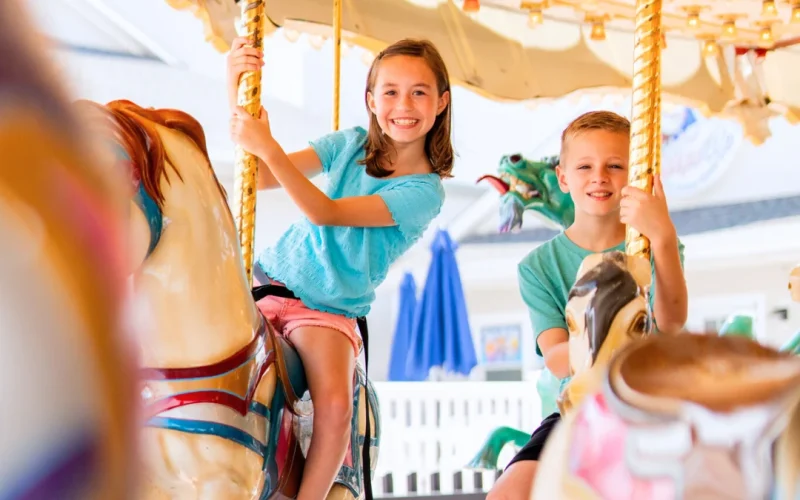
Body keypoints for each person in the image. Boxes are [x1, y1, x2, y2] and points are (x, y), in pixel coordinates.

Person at [227, 37, 452, 499]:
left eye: (419, 92)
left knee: (335, 408)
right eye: (390, 92)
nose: (403, 105)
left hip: (325, 310)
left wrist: (268, 146)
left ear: (442, 102)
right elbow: (261, 176)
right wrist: (234, 87)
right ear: (371, 100)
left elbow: (325, 211)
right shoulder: (349, 143)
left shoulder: (424, 191)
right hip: (268, 283)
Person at [487, 110, 688, 499]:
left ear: (634, 175)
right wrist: (602, 344)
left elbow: (672, 322)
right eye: (585, 167)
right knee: (508, 492)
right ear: (563, 177)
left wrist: (663, 236)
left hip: (650, 400)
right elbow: (556, 357)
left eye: (615, 165)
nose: (600, 176)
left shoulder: (653, 246)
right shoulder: (539, 267)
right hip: (579, 407)